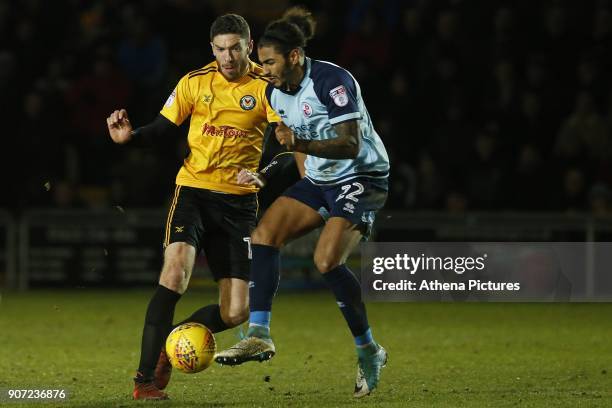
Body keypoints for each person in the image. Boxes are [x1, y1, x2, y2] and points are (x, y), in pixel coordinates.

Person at [106, 14, 285, 400]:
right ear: (212, 49)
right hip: (193, 194)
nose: (228, 57)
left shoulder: (267, 88)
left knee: (236, 312)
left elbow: (288, 147)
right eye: (220, 49)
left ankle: (172, 343)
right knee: (175, 275)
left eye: (235, 48)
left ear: (248, 46)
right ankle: (143, 381)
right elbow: (161, 128)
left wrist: (264, 175)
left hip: (238, 207)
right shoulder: (194, 81)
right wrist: (130, 137)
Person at [215, 7, 390, 398]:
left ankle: (368, 351)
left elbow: (350, 143)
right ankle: (259, 334)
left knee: (326, 261)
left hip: (361, 176)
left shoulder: (333, 81)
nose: (265, 69)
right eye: (261, 62)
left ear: (294, 57)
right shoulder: (276, 91)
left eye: (270, 61)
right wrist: (268, 174)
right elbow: (291, 151)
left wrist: (301, 145)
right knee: (263, 235)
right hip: (320, 180)